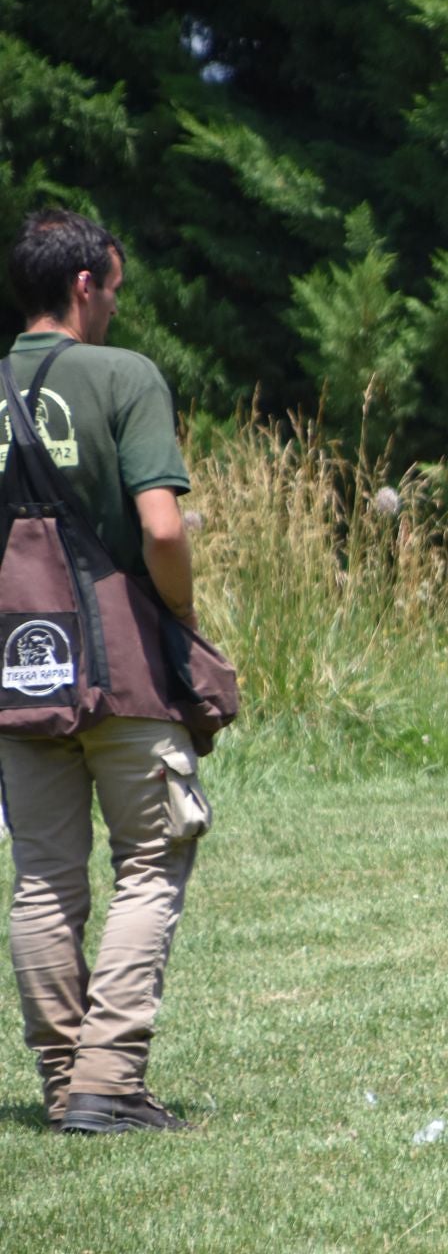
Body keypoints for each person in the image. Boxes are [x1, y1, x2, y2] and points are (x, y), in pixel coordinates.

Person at [2, 210, 207, 1132]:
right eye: (115, 288)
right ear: (85, 283)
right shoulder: (126, 376)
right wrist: (182, 619)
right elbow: (162, 527)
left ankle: (59, 1083)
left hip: (16, 665)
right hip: (118, 658)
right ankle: (108, 1080)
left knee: (43, 876)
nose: (118, 305)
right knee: (152, 859)